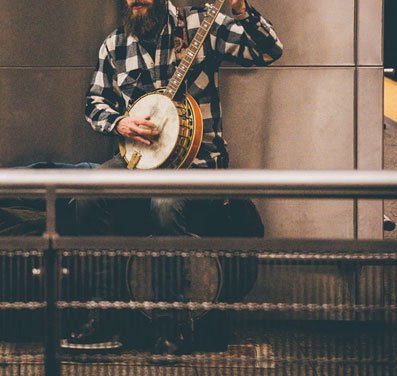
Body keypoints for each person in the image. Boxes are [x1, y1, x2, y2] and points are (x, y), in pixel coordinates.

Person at [67, 0, 283, 354]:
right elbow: (94, 102)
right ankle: (104, 314)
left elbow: (268, 51)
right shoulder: (115, 44)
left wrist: (242, 10)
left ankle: (170, 324)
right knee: (89, 192)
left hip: (196, 162)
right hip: (140, 162)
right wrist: (119, 122)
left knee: (164, 205)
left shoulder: (200, 24)